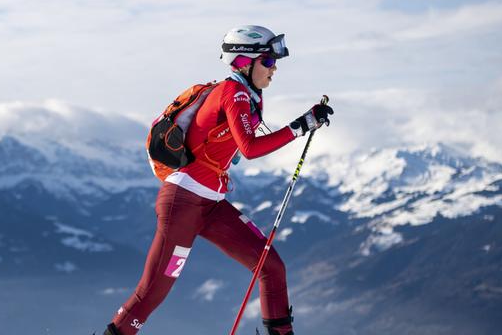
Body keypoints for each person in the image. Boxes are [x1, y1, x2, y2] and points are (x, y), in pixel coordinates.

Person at [97, 25, 333, 335]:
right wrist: (301, 125)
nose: (274, 69)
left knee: (271, 267)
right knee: (151, 293)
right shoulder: (232, 93)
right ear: (243, 62)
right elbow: (249, 149)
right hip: (182, 204)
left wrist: (305, 123)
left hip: (210, 204)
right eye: (268, 61)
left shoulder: (246, 95)